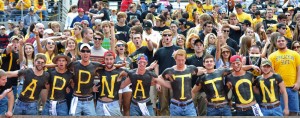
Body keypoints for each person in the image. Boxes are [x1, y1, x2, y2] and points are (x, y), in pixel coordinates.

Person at [159, 49, 205, 116]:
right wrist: (159, 83)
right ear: (175, 60)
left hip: (189, 104)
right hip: (175, 105)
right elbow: (159, 77)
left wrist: (211, 70)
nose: (180, 62)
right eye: (178, 60)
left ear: (185, 59)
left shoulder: (190, 68)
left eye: (182, 60)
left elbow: (200, 70)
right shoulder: (170, 70)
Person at [68, 43, 104, 116]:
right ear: (80, 53)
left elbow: (109, 67)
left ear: (90, 53)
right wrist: (68, 85)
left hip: (89, 100)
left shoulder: (95, 65)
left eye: (87, 51)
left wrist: (121, 65)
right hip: (76, 99)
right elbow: (62, 70)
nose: (85, 53)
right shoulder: (74, 64)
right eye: (83, 51)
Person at [268, 35, 300, 116]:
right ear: (276, 43)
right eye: (279, 41)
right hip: (279, 89)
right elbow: (271, 72)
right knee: (281, 113)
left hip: (293, 87)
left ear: (286, 42)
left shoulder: (295, 54)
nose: (281, 42)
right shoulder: (272, 56)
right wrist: (276, 85)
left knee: (294, 112)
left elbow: (299, 69)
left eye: (282, 41)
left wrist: (298, 83)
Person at [154, 29, 181, 115]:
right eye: (165, 35)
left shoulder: (178, 49)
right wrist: (157, 81)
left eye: (169, 35)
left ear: (172, 37)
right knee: (163, 105)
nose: (167, 37)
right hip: (163, 81)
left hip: (176, 80)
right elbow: (156, 66)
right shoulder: (159, 51)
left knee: (176, 105)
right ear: (162, 37)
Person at [93, 51, 126, 116]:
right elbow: (89, 69)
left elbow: (133, 75)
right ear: (104, 60)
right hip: (100, 103)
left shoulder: (120, 71)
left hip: (113, 103)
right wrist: (91, 88)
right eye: (107, 59)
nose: (109, 61)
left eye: (111, 59)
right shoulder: (100, 71)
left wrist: (123, 85)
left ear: (114, 59)